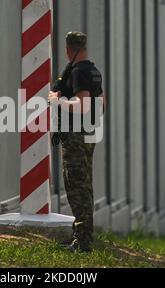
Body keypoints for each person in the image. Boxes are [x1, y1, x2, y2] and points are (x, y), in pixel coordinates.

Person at [48, 31, 104, 252]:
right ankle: (83, 236)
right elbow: (101, 102)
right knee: (84, 184)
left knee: (76, 185)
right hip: (87, 134)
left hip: (76, 136)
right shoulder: (93, 71)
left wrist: (58, 101)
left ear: (68, 49)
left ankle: (82, 241)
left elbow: (83, 105)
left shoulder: (79, 72)